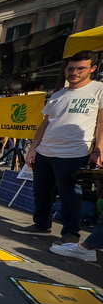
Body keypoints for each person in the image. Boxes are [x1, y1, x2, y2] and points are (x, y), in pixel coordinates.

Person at [13, 51, 103, 244]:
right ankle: (41, 225)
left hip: (74, 153)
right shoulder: (58, 94)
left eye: (81, 69)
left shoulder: (99, 90)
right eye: (71, 69)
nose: (74, 73)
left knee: (70, 194)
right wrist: (32, 148)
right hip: (45, 151)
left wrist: (98, 149)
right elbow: (45, 123)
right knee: (41, 191)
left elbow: (101, 123)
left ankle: (71, 234)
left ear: (92, 69)